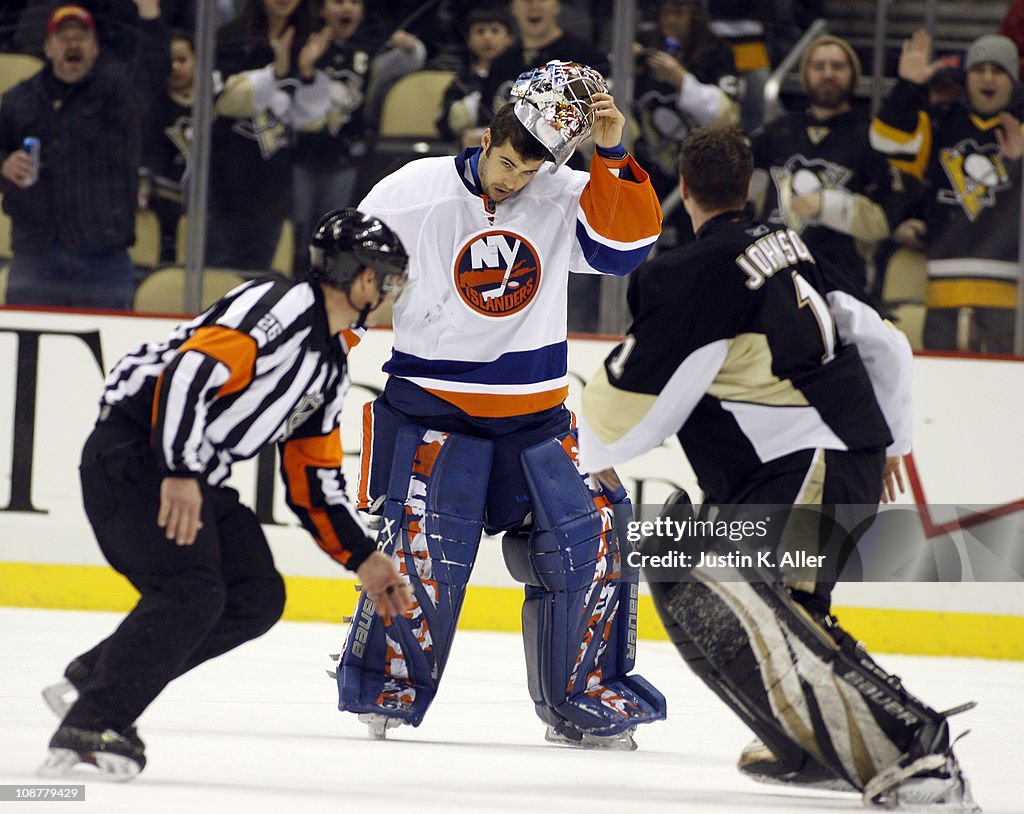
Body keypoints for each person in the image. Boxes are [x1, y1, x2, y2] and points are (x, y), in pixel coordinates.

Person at [578, 125, 978, 811]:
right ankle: (809, 743)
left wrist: (595, 454)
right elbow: (881, 341)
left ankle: (915, 753)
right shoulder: (789, 246)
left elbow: (643, 385)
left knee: (722, 583)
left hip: (807, 465)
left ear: (683, 184)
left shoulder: (692, 271)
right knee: (744, 595)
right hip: (840, 455)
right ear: (754, 184)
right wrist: (890, 443)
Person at [333, 61, 667, 748]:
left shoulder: (565, 191)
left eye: (528, 170)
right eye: (507, 162)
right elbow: (349, 276)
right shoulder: (413, 189)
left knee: (591, 543)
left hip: (536, 417)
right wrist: (329, 345)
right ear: (486, 137)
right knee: (423, 557)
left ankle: (587, 697)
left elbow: (623, 251)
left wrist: (611, 152)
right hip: (432, 410)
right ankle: (387, 685)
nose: (512, 181)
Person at [37, 209, 414, 781]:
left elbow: (312, 478)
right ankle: (93, 722)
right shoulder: (280, 306)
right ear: (361, 278)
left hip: (183, 468)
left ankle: (99, 678)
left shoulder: (329, 365)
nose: (391, 292)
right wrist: (182, 470)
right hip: (137, 457)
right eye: (388, 278)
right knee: (191, 590)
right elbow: (190, 371)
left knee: (254, 594)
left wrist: (362, 558)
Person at [0, 2, 169, 309]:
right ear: (48, 48)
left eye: (81, 38)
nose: (73, 44)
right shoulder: (17, 101)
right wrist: (4, 166)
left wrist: (149, 14)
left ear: (95, 48)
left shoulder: (119, 94)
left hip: (102, 259)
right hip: (35, 255)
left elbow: (154, 70)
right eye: (64, 38)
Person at [870, 30, 1023, 353]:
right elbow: (884, 144)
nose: (987, 78)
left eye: (998, 71)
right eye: (979, 70)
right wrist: (909, 87)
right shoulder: (941, 122)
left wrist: (1018, 163)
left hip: (1010, 294)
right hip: (943, 288)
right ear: (966, 78)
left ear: (1013, 80)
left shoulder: (1020, 128)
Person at [751, 34, 895, 295]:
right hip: (773, 274)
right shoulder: (777, 131)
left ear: (854, 74)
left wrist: (829, 206)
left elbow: (883, 221)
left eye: (838, 66)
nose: (828, 74)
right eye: (819, 66)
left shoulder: (872, 137)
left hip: (840, 280)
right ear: (805, 73)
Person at [291, 0, 425, 276]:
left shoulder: (369, 51)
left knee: (331, 228)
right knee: (298, 230)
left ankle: (324, 285)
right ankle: (296, 284)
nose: (346, 9)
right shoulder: (301, 42)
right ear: (322, 9)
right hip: (299, 154)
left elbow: (412, 60)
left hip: (344, 156)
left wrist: (407, 43)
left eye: (354, 2)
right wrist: (304, 66)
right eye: (338, 2)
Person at [205, 0, 333, 272]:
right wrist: (275, 72)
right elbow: (224, 102)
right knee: (218, 275)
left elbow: (310, 121)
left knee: (259, 274)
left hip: (273, 186)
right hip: (225, 180)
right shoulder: (231, 36)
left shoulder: (310, 39)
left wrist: (307, 72)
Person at [633, 0, 740, 246]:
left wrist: (682, 81)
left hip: (701, 172)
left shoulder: (718, 53)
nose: (671, 20)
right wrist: (624, 66)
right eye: (666, 12)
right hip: (649, 168)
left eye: (679, 13)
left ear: (696, 15)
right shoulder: (645, 49)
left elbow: (729, 115)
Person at [140, 28, 196, 263]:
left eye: (182, 60)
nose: (175, 67)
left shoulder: (216, 105)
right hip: (161, 206)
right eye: (169, 61)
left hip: (203, 209)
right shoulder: (153, 107)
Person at [435, 4, 516, 149]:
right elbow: (443, 124)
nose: (487, 37)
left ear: (509, 38)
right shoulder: (461, 81)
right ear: (469, 40)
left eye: (495, 31)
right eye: (480, 31)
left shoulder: (520, 77)